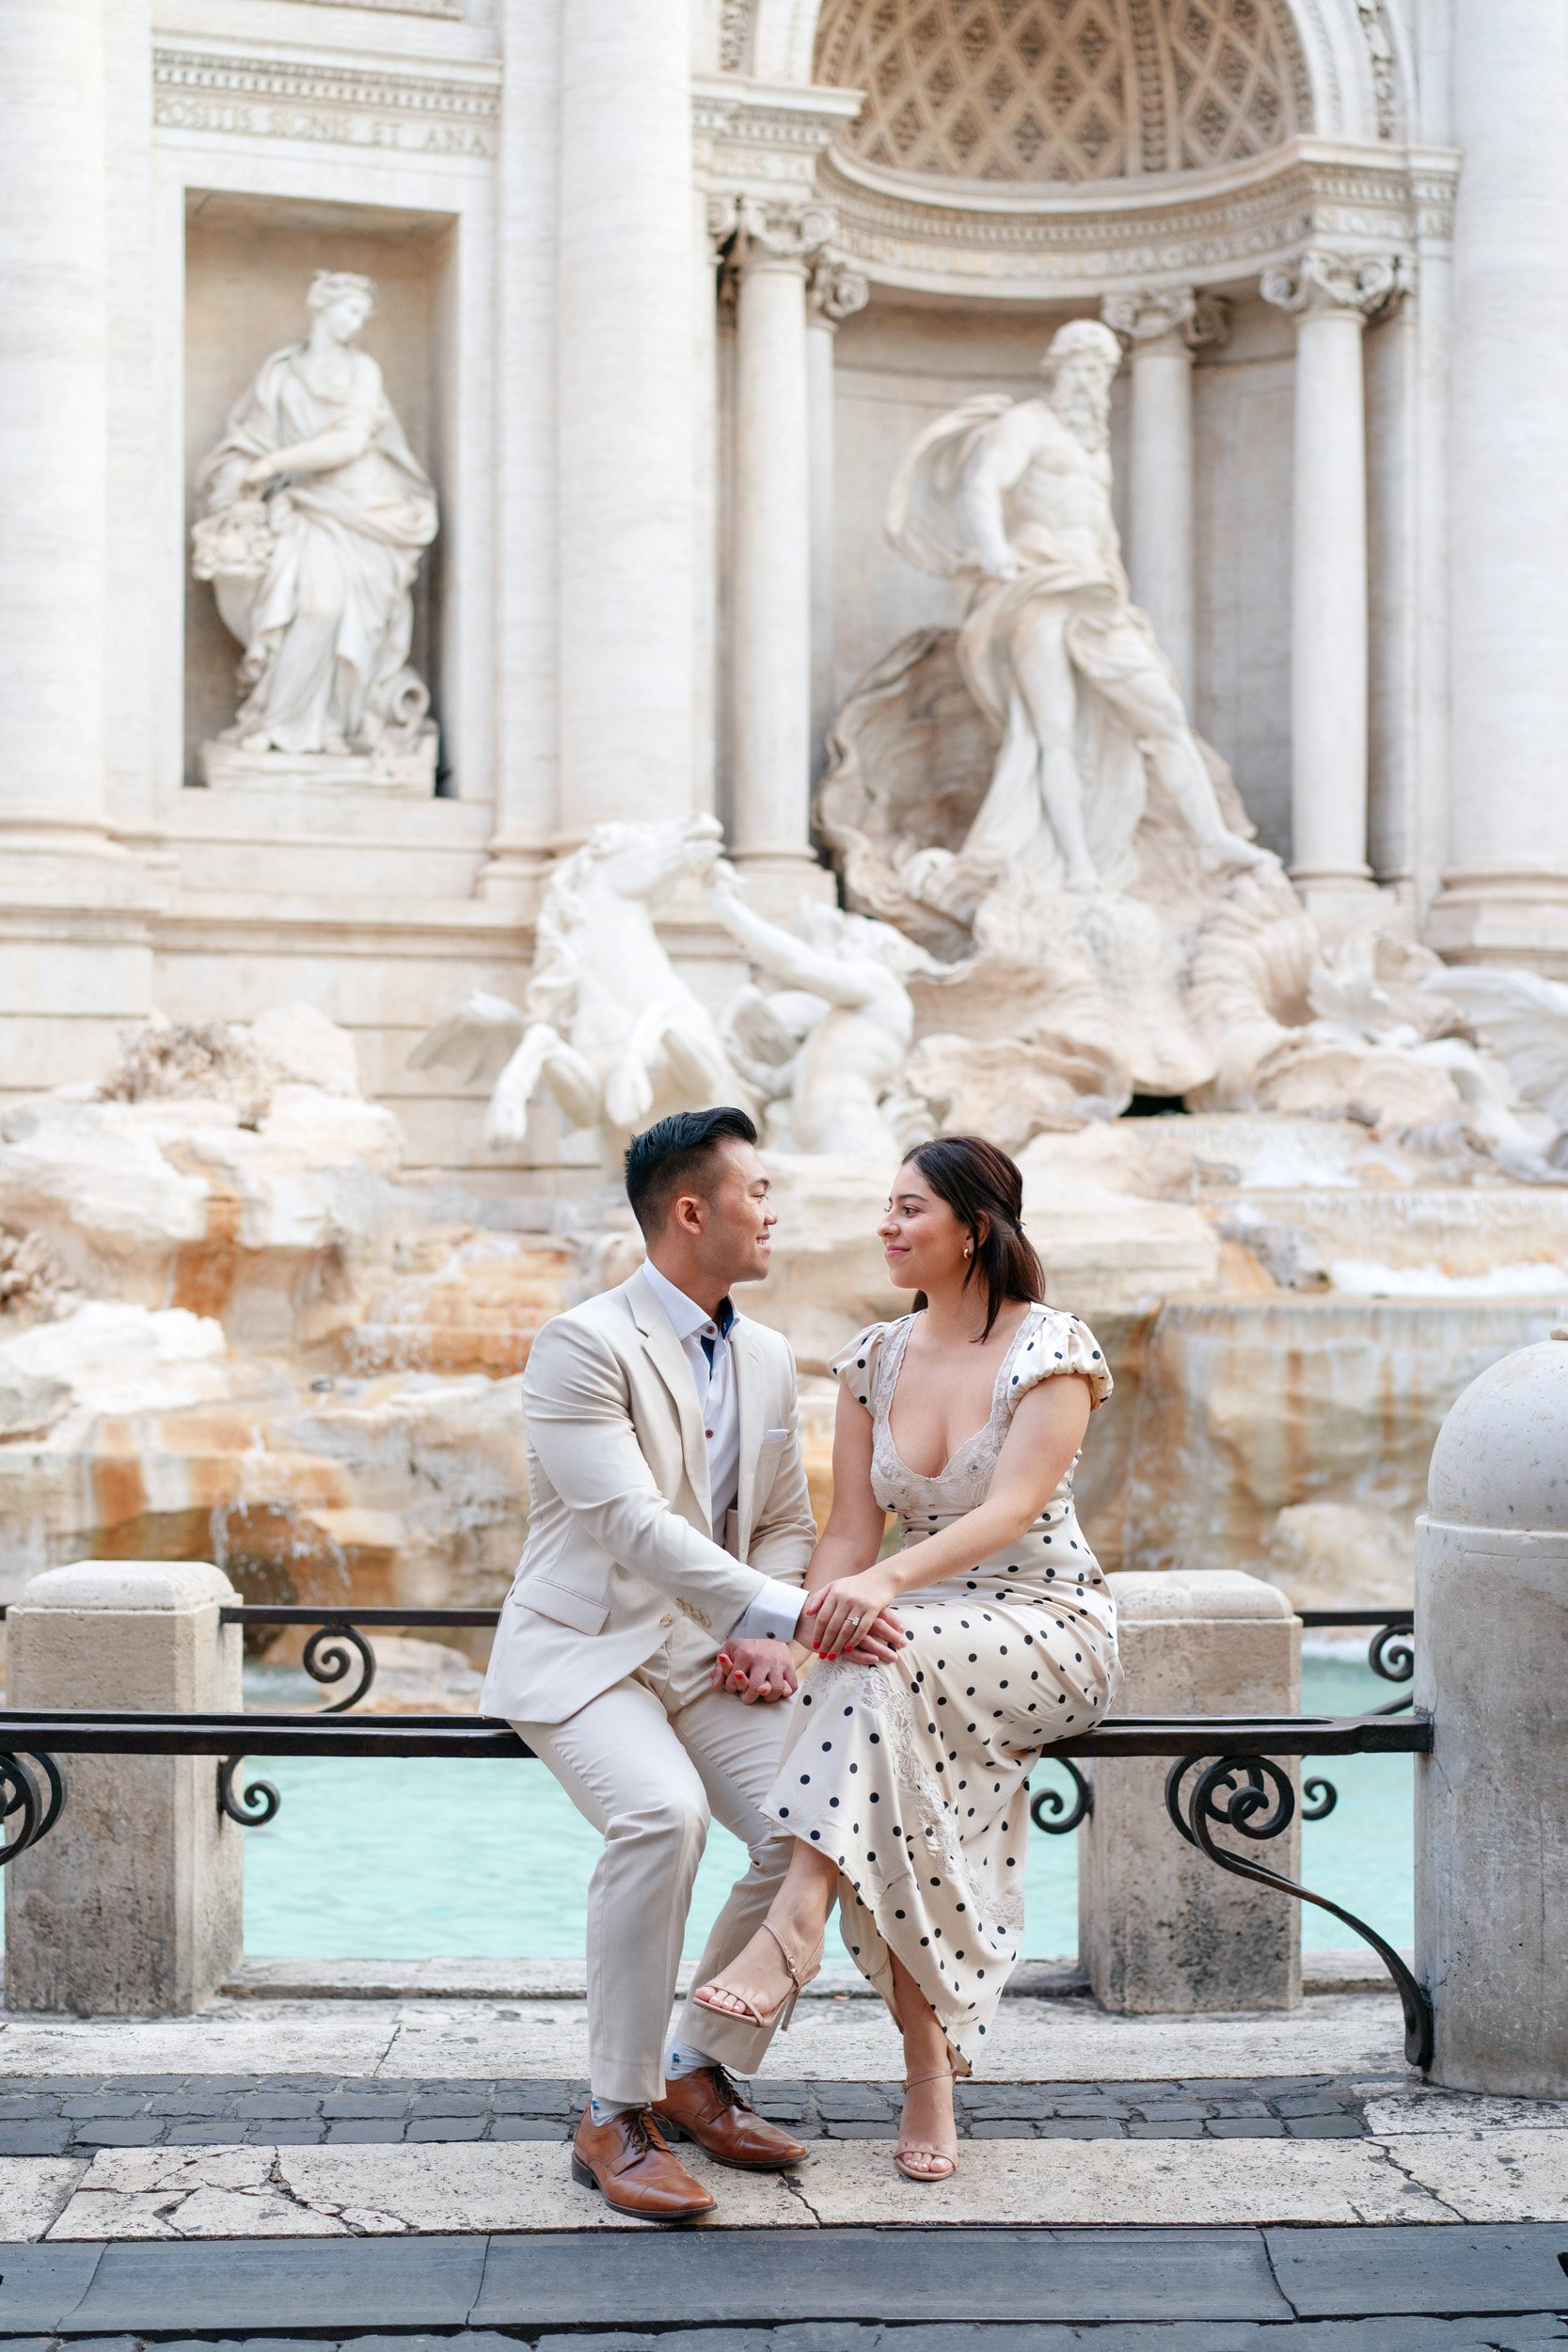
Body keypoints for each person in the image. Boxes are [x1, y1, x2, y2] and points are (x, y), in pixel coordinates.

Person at [480, 1105, 903, 2222]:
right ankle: (612, 2113)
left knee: (811, 1820)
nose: (773, 1210)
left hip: (704, 1654)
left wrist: (765, 1631)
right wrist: (786, 1609)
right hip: (587, 1655)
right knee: (662, 1816)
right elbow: (626, 1521)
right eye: (757, 1191)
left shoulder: (763, 1353)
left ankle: (698, 2066)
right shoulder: (581, 1342)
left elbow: (776, 1516)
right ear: (690, 1211)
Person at [693, 1133, 1120, 2182]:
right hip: (903, 1648)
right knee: (880, 1729)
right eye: (883, 1207)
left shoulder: (1052, 1349)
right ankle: (924, 2069)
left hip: (1041, 1622)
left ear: (974, 1227)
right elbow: (848, 1533)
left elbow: (1013, 1507)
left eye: (909, 1209)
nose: (885, 1226)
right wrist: (797, 1628)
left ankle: (795, 1924)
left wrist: (876, 1591)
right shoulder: (872, 1359)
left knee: (874, 1660)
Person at [887, 318, 1270, 894]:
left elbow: (1101, 531)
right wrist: (993, 549)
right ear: (1058, 367)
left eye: (1103, 369)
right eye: (1085, 366)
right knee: (1053, 733)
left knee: (1163, 712)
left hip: (1096, 595)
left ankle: (1212, 838)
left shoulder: (1093, 448)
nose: (1094, 380)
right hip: (1037, 586)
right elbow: (982, 485)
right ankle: (1077, 868)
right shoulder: (1026, 425)